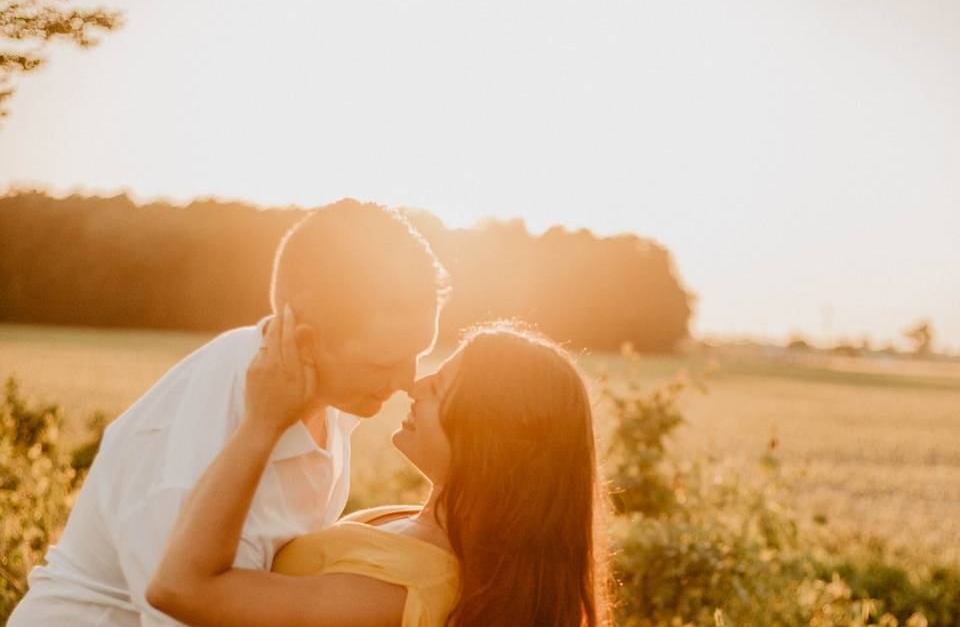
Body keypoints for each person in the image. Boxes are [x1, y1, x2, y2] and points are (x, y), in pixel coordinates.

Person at [9, 199, 449, 626]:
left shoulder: (333, 401)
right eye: (383, 363)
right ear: (308, 342)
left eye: (417, 353)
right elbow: (176, 613)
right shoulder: (197, 444)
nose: (406, 382)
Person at [147, 316, 611, 627]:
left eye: (442, 385)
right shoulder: (418, 526)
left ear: (484, 434)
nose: (415, 385)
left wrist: (262, 423)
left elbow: (181, 589)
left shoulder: (396, 592)